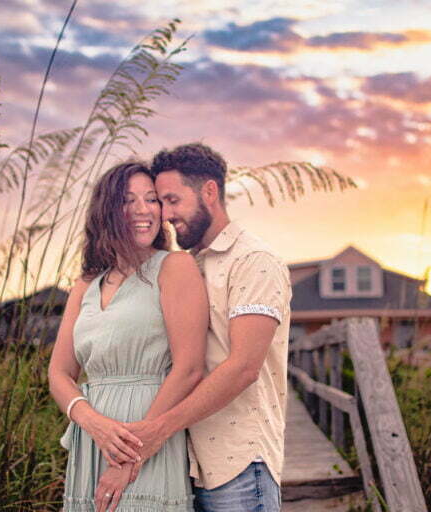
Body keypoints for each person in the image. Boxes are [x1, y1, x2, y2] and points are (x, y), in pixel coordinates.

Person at [123, 143, 292, 511]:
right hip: (188, 460)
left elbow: (244, 367)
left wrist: (158, 429)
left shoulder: (254, 261)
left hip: (240, 463)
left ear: (209, 192)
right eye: (161, 202)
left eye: (172, 200)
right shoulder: (187, 265)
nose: (164, 214)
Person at [48, 161, 208, 512]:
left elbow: (190, 368)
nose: (142, 210)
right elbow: (59, 374)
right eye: (128, 199)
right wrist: (94, 423)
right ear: (106, 210)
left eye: (151, 200)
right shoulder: (86, 285)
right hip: (93, 441)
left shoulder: (174, 267)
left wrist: (129, 459)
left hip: (145, 439)